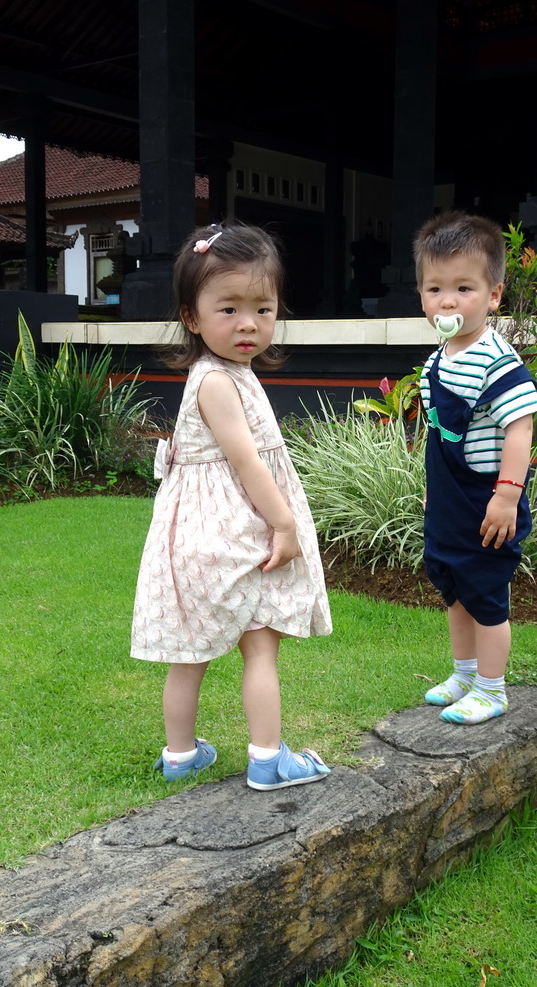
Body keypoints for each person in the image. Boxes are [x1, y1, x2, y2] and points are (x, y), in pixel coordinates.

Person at [131, 222, 332, 789]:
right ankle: (268, 759)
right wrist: (285, 523)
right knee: (260, 646)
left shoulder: (226, 373)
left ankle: (180, 755)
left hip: (198, 537)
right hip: (233, 536)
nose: (249, 323)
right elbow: (248, 465)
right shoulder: (216, 383)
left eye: (263, 309)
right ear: (191, 316)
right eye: (229, 309)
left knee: (189, 654)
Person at [415, 211, 537, 725]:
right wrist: (434, 492)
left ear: (493, 295)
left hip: (490, 501)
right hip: (451, 501)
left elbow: (520, 427)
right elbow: (437, 434)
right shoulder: (436, 361)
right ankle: (464, 673)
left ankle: (492, 688)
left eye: (464, 288)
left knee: (486, 593)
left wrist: (508, 494)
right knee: (454, 587)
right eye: (434, 288)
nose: (447, 301)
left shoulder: (497, 360)